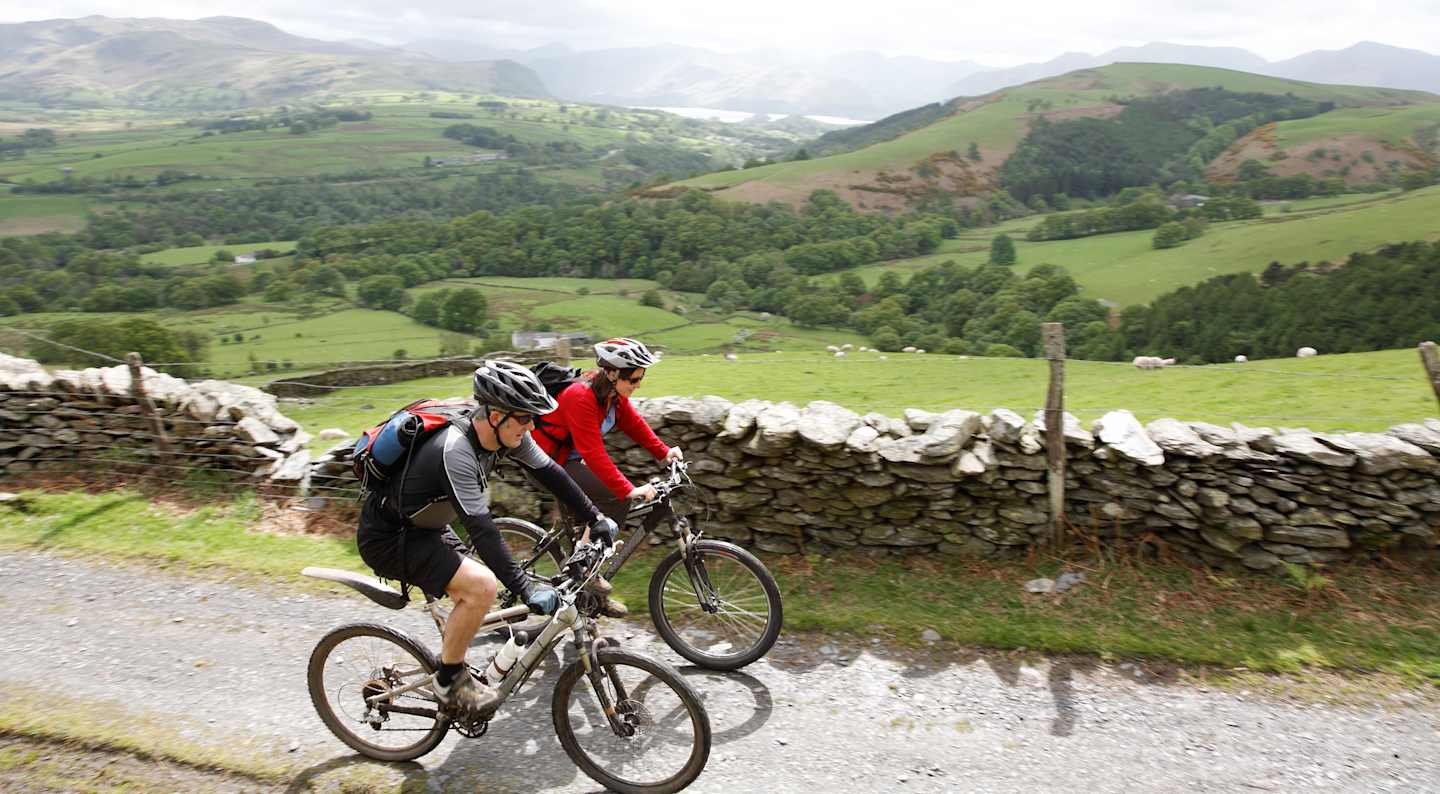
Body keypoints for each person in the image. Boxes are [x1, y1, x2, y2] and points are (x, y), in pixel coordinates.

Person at [356, 360, 618, 717]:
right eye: (525, 417)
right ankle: (448, 683)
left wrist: (595, 517)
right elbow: (482, 528)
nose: (531, 426)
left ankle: (453, 657)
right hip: (391, 537)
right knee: (482, 587)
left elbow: (551, 473)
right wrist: (525, 587)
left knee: (479, 592)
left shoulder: (507, 432)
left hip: (427, 525)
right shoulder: (455, 451)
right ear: (496, 414)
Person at [533, 338, 683, 617]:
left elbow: (634, 424)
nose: (638, 384)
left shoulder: (612, 396)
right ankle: (583, 572)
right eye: (634, 378)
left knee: (600, 520)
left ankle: (589, 598)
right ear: (613, 373)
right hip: (547, 463)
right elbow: (593, 452)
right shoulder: (581, 397)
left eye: (641, 377)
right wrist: (629, 489)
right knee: (616, 497)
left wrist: (664, 453)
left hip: (570, 460)